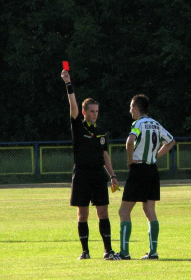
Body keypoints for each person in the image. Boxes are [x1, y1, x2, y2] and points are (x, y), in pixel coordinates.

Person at [61, 70, 120, 261]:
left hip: (98, 175)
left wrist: (112, 176)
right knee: (82, 213)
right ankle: (85, 251)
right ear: (84, 112)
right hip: (81, 175)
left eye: (97, 111)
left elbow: (105, 156)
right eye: (92, 111)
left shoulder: (101, 132)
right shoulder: (78, 126)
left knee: (103, 211)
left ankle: (108, 251)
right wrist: (68, 84)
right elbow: (73, 105)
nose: (95, 114)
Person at [116, 94, 175, 260]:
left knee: (124, 211)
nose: (129, 111)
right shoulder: (156, 124)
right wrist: (156, 155)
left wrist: (129, 160)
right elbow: (171, 141)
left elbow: (129, 141)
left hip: (139, 169)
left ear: (135, 107)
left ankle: (124, 253)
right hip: (152, 170)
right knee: (150, 210)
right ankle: (153, 251)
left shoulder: (138, 124)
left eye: (130, 107)